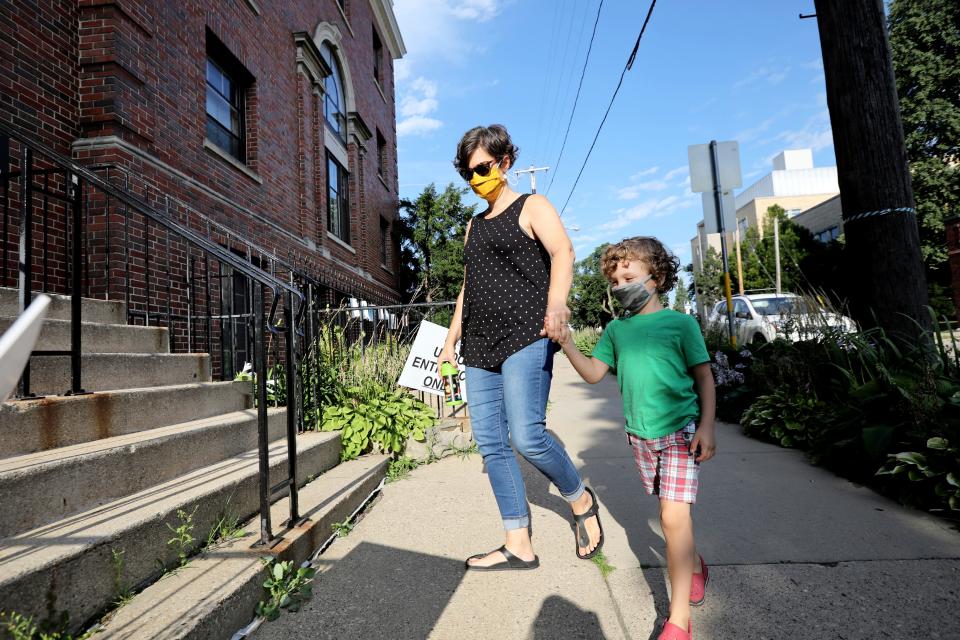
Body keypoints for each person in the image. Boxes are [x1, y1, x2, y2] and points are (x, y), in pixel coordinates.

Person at [438, 124, 603, 570]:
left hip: (526, 334)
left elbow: (563, 252)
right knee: (491, 443)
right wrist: (451, 339)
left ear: (505, 163)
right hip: (479, 343)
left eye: (483, 168)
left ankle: (581, 499)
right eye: (469, 173)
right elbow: (468, 286)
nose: (476, 179)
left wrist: (557, 307)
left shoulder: (533, 206)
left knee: (527, 436)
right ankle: (518, 543)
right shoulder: (473, 225)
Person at [557, 237, 716, 640]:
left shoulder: (681, 324)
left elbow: (704, 378)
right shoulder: (616, 330)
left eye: (627, 276)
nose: (619, 285)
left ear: (656, 277)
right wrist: (567, 343)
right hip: (640, 438)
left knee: (671, 517)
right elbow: (594, 373)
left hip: (680, 431)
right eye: (613, 279)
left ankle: (678, 621)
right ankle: (694, 563)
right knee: (672, 517)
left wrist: (708, 426)